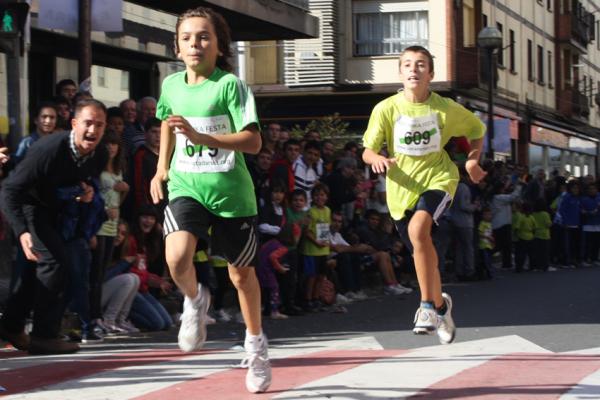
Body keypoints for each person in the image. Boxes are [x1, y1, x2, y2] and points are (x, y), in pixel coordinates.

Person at [149, 7, 271, 393]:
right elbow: (167, 121)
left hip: (231, 194)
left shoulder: (230, 86)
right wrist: (161, 167)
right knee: (176, 257)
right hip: (187, 186)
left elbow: (254, 142)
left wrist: (205, 138)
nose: (195, 44)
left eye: (204, 37)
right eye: (186, 38)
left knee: (241, 276)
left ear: (219, 45)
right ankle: (194, 299)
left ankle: (256, 345)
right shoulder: (171, 85)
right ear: (177, 47)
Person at [362, 46, 486, 344]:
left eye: (420, 65)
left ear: (431, 74)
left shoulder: (445, 108)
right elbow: (367, 150)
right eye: (407, 64)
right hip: (401, 188)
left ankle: (426, 306)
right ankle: (442, 307)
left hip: (438, 178)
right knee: (422, 250)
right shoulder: (386, 109)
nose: (413, 69)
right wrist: (376, 158)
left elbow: (477, 129)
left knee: (419, 231)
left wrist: (472, 161)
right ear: (400, 73)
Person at [0, 99, 108, 354]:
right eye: (88, 123)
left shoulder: (100, 154)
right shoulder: (48, 149)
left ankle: (11, 325)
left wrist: (83, 193)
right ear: (74, 124)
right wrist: (22, 231)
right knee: (56, 263)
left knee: (37, 270)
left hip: (55, 212)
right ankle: (43, 336)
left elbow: (75, 183)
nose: (93, 130)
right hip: (29, 207)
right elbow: (10, 190)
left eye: (99, 125)